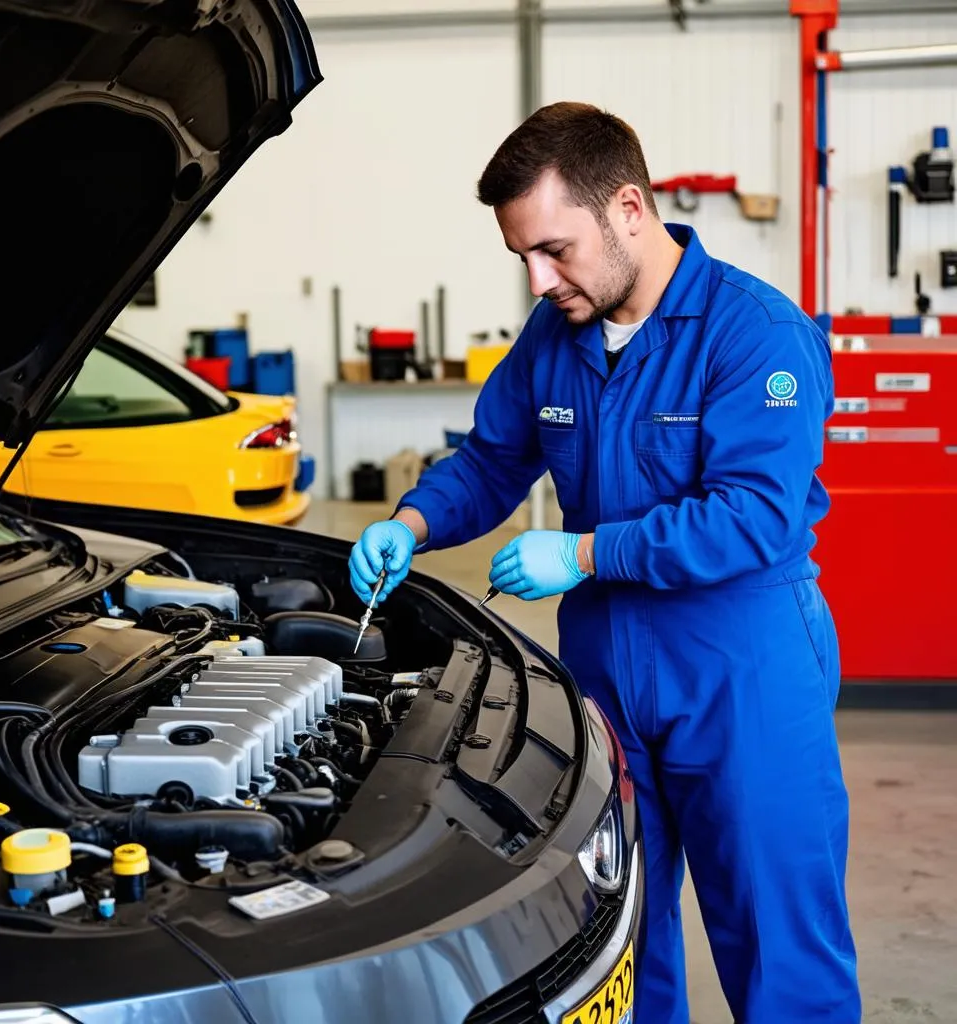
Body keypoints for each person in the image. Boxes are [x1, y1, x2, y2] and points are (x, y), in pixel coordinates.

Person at [348, 101, 860, 1023]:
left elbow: (754, 518)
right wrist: (415, 522)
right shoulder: (558, 335)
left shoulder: (755, 336)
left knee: (780, 944)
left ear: (628, 207)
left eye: (555, 249)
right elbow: (495, 456)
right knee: (615, 933)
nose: (540, 280)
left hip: (741, 666)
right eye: (522, 258)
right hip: (605, 676)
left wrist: (585, 550)